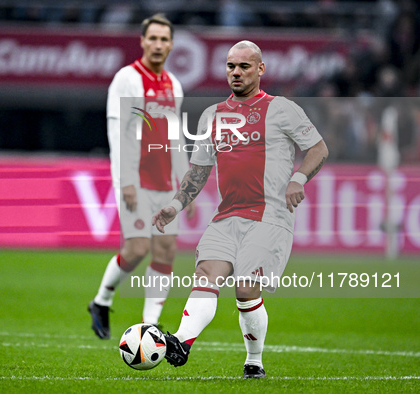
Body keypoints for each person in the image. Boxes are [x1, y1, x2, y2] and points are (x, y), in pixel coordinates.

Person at [152, 40, 329, 378]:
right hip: (227, 216)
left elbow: (318, 148)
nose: (236, 72)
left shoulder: (282, 109)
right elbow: (199, 170)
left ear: (260, 69)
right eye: (231, 66)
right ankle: (181, 343)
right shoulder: (212, 115)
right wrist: (175, 205)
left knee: (246, 288)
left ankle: (254, 361)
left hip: (270, 216)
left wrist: (300, 178)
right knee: (205, 278)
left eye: (244, 66)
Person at [88, 13, 196, 339]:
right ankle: (101, 301)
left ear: (172, 44)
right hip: (136, 179)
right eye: (153, 38)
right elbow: (117, 130)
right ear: (142, 41)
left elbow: (176, 137)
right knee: (136, 249)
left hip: (165, 182)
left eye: (165, 39)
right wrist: (126, 180)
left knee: (165, 252)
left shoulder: (173, 84)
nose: (159, 44)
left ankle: (150, 326)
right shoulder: (128, 78)